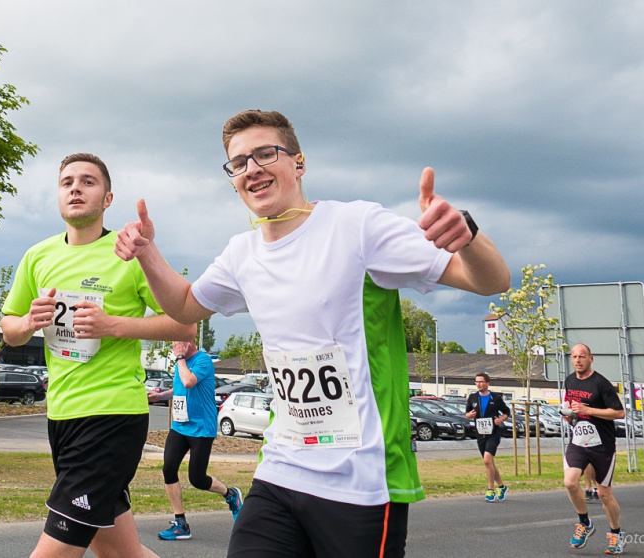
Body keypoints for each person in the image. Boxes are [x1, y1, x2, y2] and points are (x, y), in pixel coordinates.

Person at [115, 109, 510, 557]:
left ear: (299, 163)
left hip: (360, 477)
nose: (253, 169)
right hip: (282, 466)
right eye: (239, 163)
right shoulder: (241, 253)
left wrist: (467, 236)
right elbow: (185, 305)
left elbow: (489, 281)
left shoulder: (357, 226)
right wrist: (147, 253)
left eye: (266, 154)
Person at [0, 153, 196, 558]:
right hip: (62, 417)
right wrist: (28, 323)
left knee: (54, 551)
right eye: (67, 181)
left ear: (108, 198)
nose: (75, 187)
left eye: (88, 182)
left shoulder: (129, 254)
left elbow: (185, 326)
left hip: (112, 417)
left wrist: (114, 326)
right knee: (123, 554)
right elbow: (10, 329)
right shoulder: (37, 257)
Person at [151, 339, 244, 541]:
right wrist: (160, 397)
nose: (174, 344)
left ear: (189, 341)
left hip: (201, 428)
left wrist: (180, 358)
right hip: (180, 425)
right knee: (168, 469)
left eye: (178, 341)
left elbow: (188, 381)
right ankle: (180, 523)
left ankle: (230, 495)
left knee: (197, 479)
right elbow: (180, 388)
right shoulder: (181, 362)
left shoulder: (203, 361)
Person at [561, 344, 627, 555]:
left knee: (604, 494)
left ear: (591, 358)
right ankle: (585, 523)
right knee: (570, 482)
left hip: (602, 444)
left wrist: (589, 410)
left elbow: (619, 413)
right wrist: (568, 414)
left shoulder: (601, 383)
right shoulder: (570, 380)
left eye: (582, 356)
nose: (578, 360)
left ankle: (616, 533)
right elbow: (571, 404)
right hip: (579, 440)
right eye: (574, 357)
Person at [465, 373, 511, 502]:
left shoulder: (496, 397)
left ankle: (490, 490)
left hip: (493, 433)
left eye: (481, 382)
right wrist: (469, 415)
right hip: (480, 433)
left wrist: (500, 420)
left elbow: (507, 412)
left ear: (488, 383)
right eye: (476, 382)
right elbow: (467, 413)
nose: (478, 384)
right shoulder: (473, 397)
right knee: (489, 462)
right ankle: (501, 486)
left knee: (486, 460)